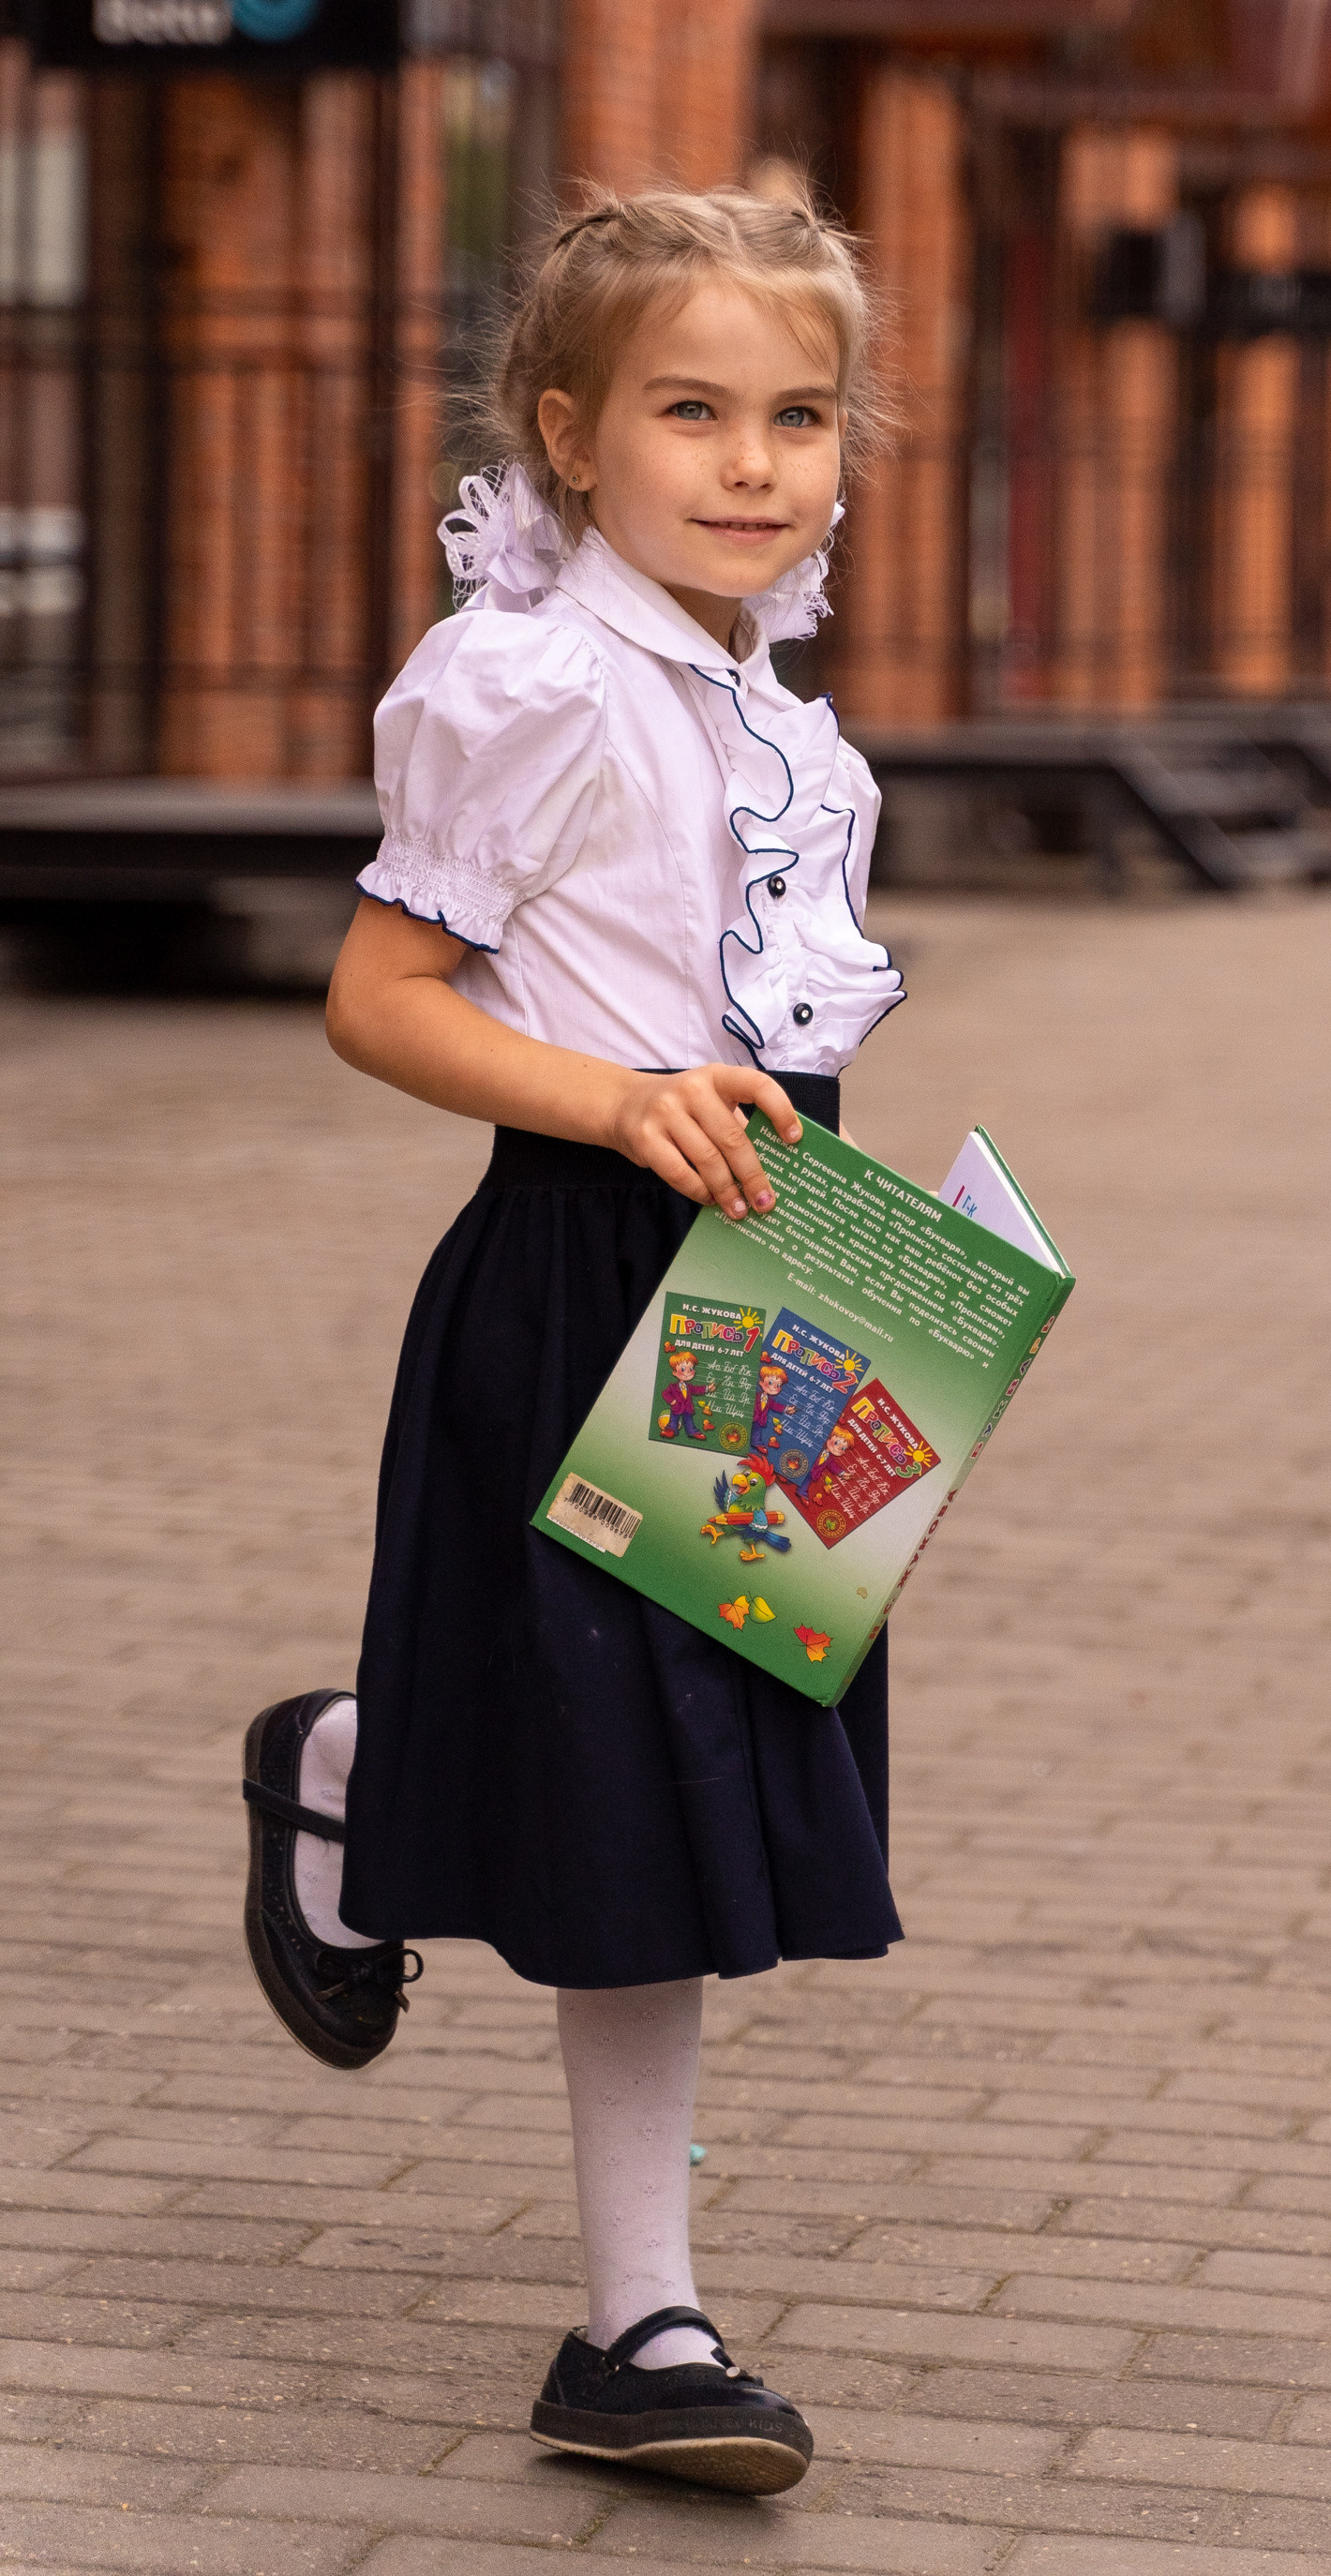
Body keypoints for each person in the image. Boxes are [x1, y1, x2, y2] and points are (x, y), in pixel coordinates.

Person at [238, 187, 906, 2496]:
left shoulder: (784, 721)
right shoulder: (524, 688)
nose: (751, 461)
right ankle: (642, 2325)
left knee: (689, 1811)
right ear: (571, 435)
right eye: (690, 409)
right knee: (637, 1808)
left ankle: (353, 1760)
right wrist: (619, 1103)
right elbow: (378, 1001)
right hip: (578, 1267)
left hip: (775, 1273)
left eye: (796, 415)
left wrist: (889, 1268)